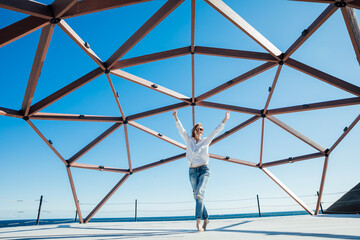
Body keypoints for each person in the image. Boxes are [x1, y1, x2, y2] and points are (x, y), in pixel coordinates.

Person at [172, 109, 230, 232]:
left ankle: (198, 222)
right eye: (198, 129)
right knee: (197, 197)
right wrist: (176, 118)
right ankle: (206, 218)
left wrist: (225, 119)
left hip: (204, 170)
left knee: (199, 194)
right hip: (192, 171)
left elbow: (216, 131)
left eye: (202, 129)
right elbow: (181, 130)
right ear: (194, 131)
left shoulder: (206, 141)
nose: (200, 131)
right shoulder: (189, 140)